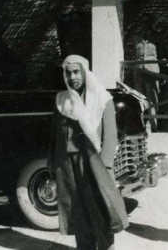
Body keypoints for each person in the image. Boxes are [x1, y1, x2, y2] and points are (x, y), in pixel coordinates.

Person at [48, 55, 129, 250]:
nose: (72, 77)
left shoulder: (102, 99)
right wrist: (52, 168)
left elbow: (110, 136)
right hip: (68, 166)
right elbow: (54, 137)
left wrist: (105, 167)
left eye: (76, 72)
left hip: (94, 164)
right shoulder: (61, 100)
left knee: (101, 210)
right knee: (78, 213)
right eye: (68, 73)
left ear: (85, 72)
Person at [133, 33, 159, 131]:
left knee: (152, 99)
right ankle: (141, 126)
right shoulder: (136, 38)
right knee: (139, 99)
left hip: (152, 72)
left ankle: (154, 126)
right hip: (139, 72)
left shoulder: (156, 37)